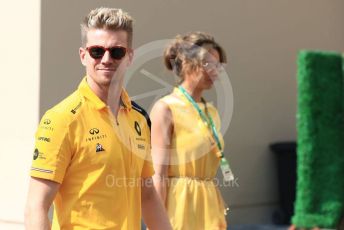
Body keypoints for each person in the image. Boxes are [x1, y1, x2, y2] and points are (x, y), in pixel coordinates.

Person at [25, 7, 172, 230]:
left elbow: (147, 194)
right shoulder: (61, 119)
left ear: (129, 57)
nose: (106, 59)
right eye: (96, 51)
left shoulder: (138, 119)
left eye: (117, 52)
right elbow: (36, 206)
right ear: (83, 56)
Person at [150, 32, 230, 230]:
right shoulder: (166, 109)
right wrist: (156, 225)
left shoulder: (211, 111)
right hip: (180, 206)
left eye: (218, 65)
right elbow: (158, 175)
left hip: (209, 203)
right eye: (208, 64)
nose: (215, 71)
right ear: (186, 64)